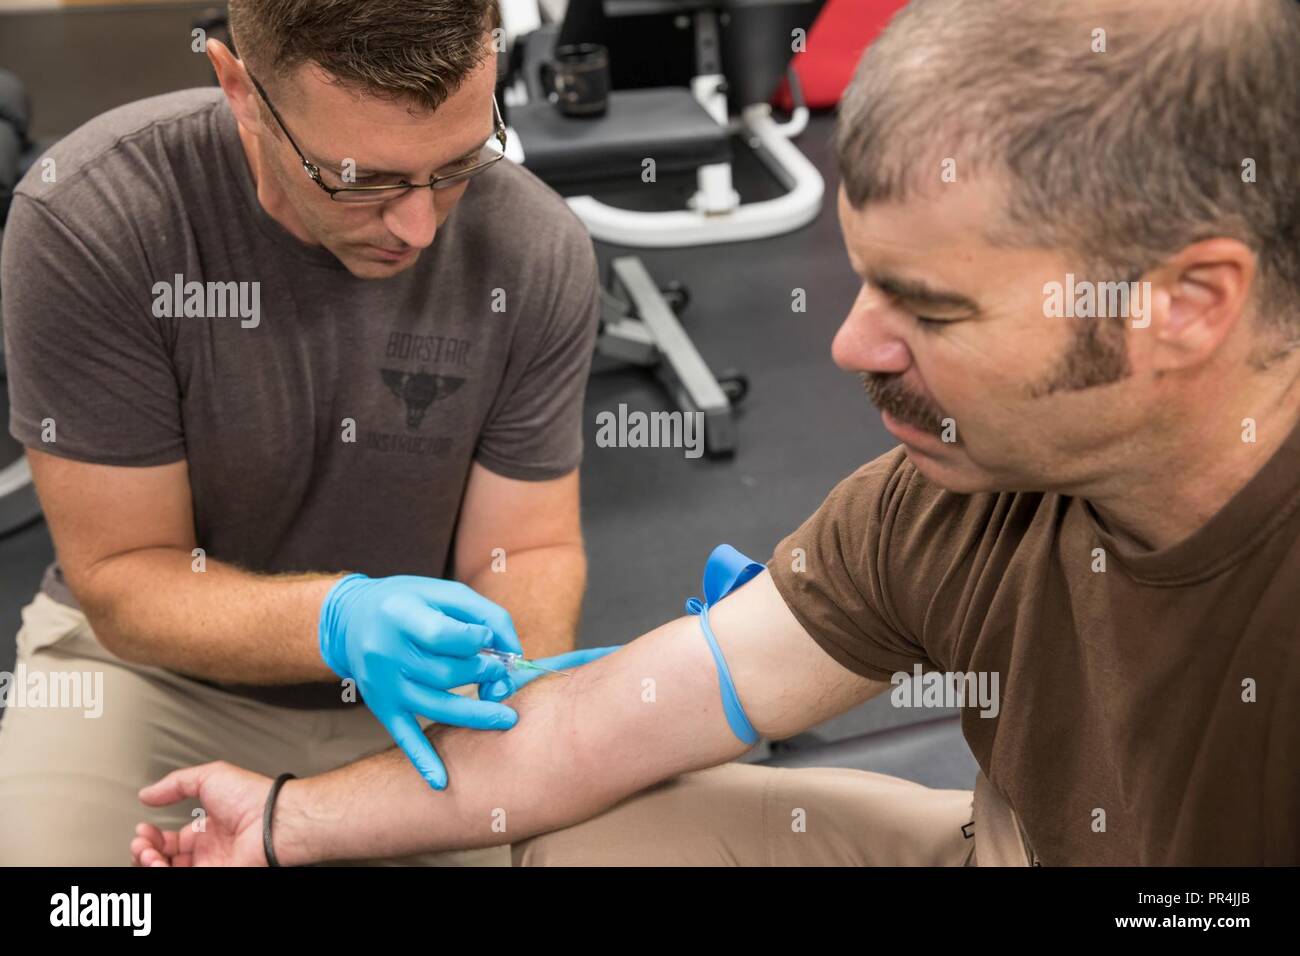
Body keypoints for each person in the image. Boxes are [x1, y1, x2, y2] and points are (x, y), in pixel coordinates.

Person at [132, 0, 1300, 867]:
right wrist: (281, 821)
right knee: (580, 836)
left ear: (1183, 306)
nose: (852, 346)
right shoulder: (955, 492)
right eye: (867, 285)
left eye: (931, 309)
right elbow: (591, 729)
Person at [0, 0, 610, 866]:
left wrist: (502, 684)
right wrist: (337, 618)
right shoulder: (96, 215)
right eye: (362, 179)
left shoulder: (534, 244)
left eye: (459, 163)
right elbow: (123, 579)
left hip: (423, 694)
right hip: (153, 676)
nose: (420, 226)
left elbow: (530, 550)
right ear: (239, 88)